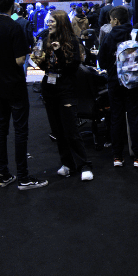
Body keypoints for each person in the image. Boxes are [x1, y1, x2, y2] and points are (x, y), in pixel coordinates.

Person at [0, 0, 47, 190]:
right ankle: (23, 177)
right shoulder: (14, 27)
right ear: (13, 2)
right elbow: (20, 60)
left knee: (1, 127)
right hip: (14, 85)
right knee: (21, 130)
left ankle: (3, 174)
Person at [34, 10, 93, 182]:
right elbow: (47, 67)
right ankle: (67, 164)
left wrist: (59, 52)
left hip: (66, 89)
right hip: (49, 88)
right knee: (58, 131)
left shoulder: (72, 41)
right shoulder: (46, 39)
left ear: (60, 22)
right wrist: (39, 60)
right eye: (48, 21)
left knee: (71, 130)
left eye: (52, 21)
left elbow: (72, 68)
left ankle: (85, 164)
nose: (49, 24)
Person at [97, 5, 138, 168]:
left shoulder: (109, 37)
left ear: (116, 20)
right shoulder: (136, 34)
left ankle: (117, 157)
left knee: (116, 117)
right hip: (134, 82)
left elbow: (101, 61)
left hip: (114, 82)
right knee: (134, 117)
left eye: (111, 19)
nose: (110, 22)